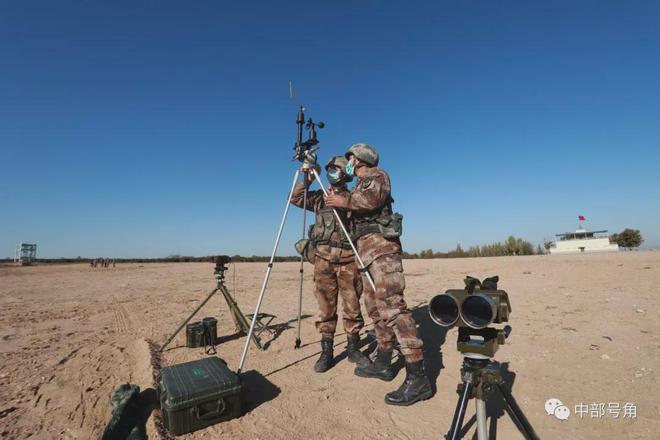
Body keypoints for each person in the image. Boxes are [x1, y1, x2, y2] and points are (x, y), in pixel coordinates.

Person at [325, 143, 432, 406]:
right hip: (366, 254)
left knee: (393, 308)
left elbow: (371, 200)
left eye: (349, 158)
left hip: (382, 252)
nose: (346, 162)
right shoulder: (357, 186)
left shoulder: (377, 176)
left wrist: (344, 200)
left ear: (359, 159)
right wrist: (340, 197)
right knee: (374, 308)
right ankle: (384, 361)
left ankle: (418, 378)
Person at [290, 156, 369, 372]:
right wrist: (306, 180)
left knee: (352, 305)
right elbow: (295, 198)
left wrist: (344, 203)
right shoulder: (319, 198)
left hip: (349, 260)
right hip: (323, 260)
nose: (331, 172)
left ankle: (353, 347)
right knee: (326, 306)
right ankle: (327, 351)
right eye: (329, 169)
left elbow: (367, 206)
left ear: (345, 173)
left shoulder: (354, 197)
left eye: (335, 168)